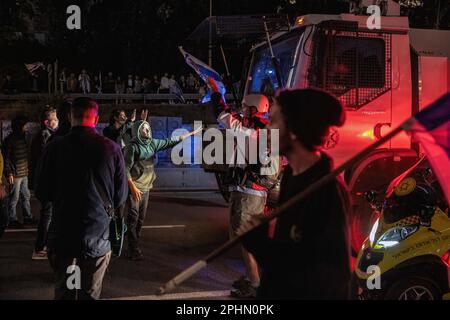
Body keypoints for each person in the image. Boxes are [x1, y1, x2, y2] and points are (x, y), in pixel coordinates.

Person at [242, 88, 352, 300]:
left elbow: (329, 280)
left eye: (274, 121)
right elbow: (297, 252)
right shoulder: (292, 175)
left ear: (293, 130)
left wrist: (262, 247)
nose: (267, 126)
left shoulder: (327, 193)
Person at [34, 97, 128, 300]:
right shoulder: (112, 149)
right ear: (96, 119)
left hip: (64, 237)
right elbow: (120, 196)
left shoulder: (54, 148)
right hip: (97, 237)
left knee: (66, 292)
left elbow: (41, 192)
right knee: (89, 294)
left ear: (70, 116)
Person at [213, 93, 279, 298]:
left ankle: (255, 283)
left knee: (246, 240)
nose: (241, 110)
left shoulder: (259, 131)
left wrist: (221, 106)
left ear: (254, 109)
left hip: (249, 194)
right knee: (243, 239)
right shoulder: (258, 128)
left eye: (244, 107)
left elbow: (231, 125)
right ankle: (255, 277)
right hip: (244, 192)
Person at [124, 120, 201, 261]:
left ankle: (136, 242)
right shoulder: (132, 148)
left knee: (140, 219)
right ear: (138, 131)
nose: (147, 131)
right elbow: (125, 169)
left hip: (146, 188)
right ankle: (133, 248)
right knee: (133, 218)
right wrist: (132, 187)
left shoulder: (153, 143)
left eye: (148, 128)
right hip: (135, 188)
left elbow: (170, 141)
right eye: (144, 129)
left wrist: (191, 134)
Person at [30, 106, 59, 260]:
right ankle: (40, 247)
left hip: (45, 182)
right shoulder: (44, 137)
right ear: (47, 122)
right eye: (55, 119)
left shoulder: (47, 135)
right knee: (47, 215)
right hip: (46, 183)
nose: (58, 121)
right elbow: (45, 162)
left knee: (48, 214)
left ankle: (44, 244)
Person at [2, 115, 36, 228]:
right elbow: (5, 157)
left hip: (23, 172)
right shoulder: (10, 139)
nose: (27, 127)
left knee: (25, 196)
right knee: (14, 198)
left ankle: (28, 217)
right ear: (20, 126)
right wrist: (9, 173)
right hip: (15, 174)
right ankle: (12, 219)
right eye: (25, 125)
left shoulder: (23, 137)